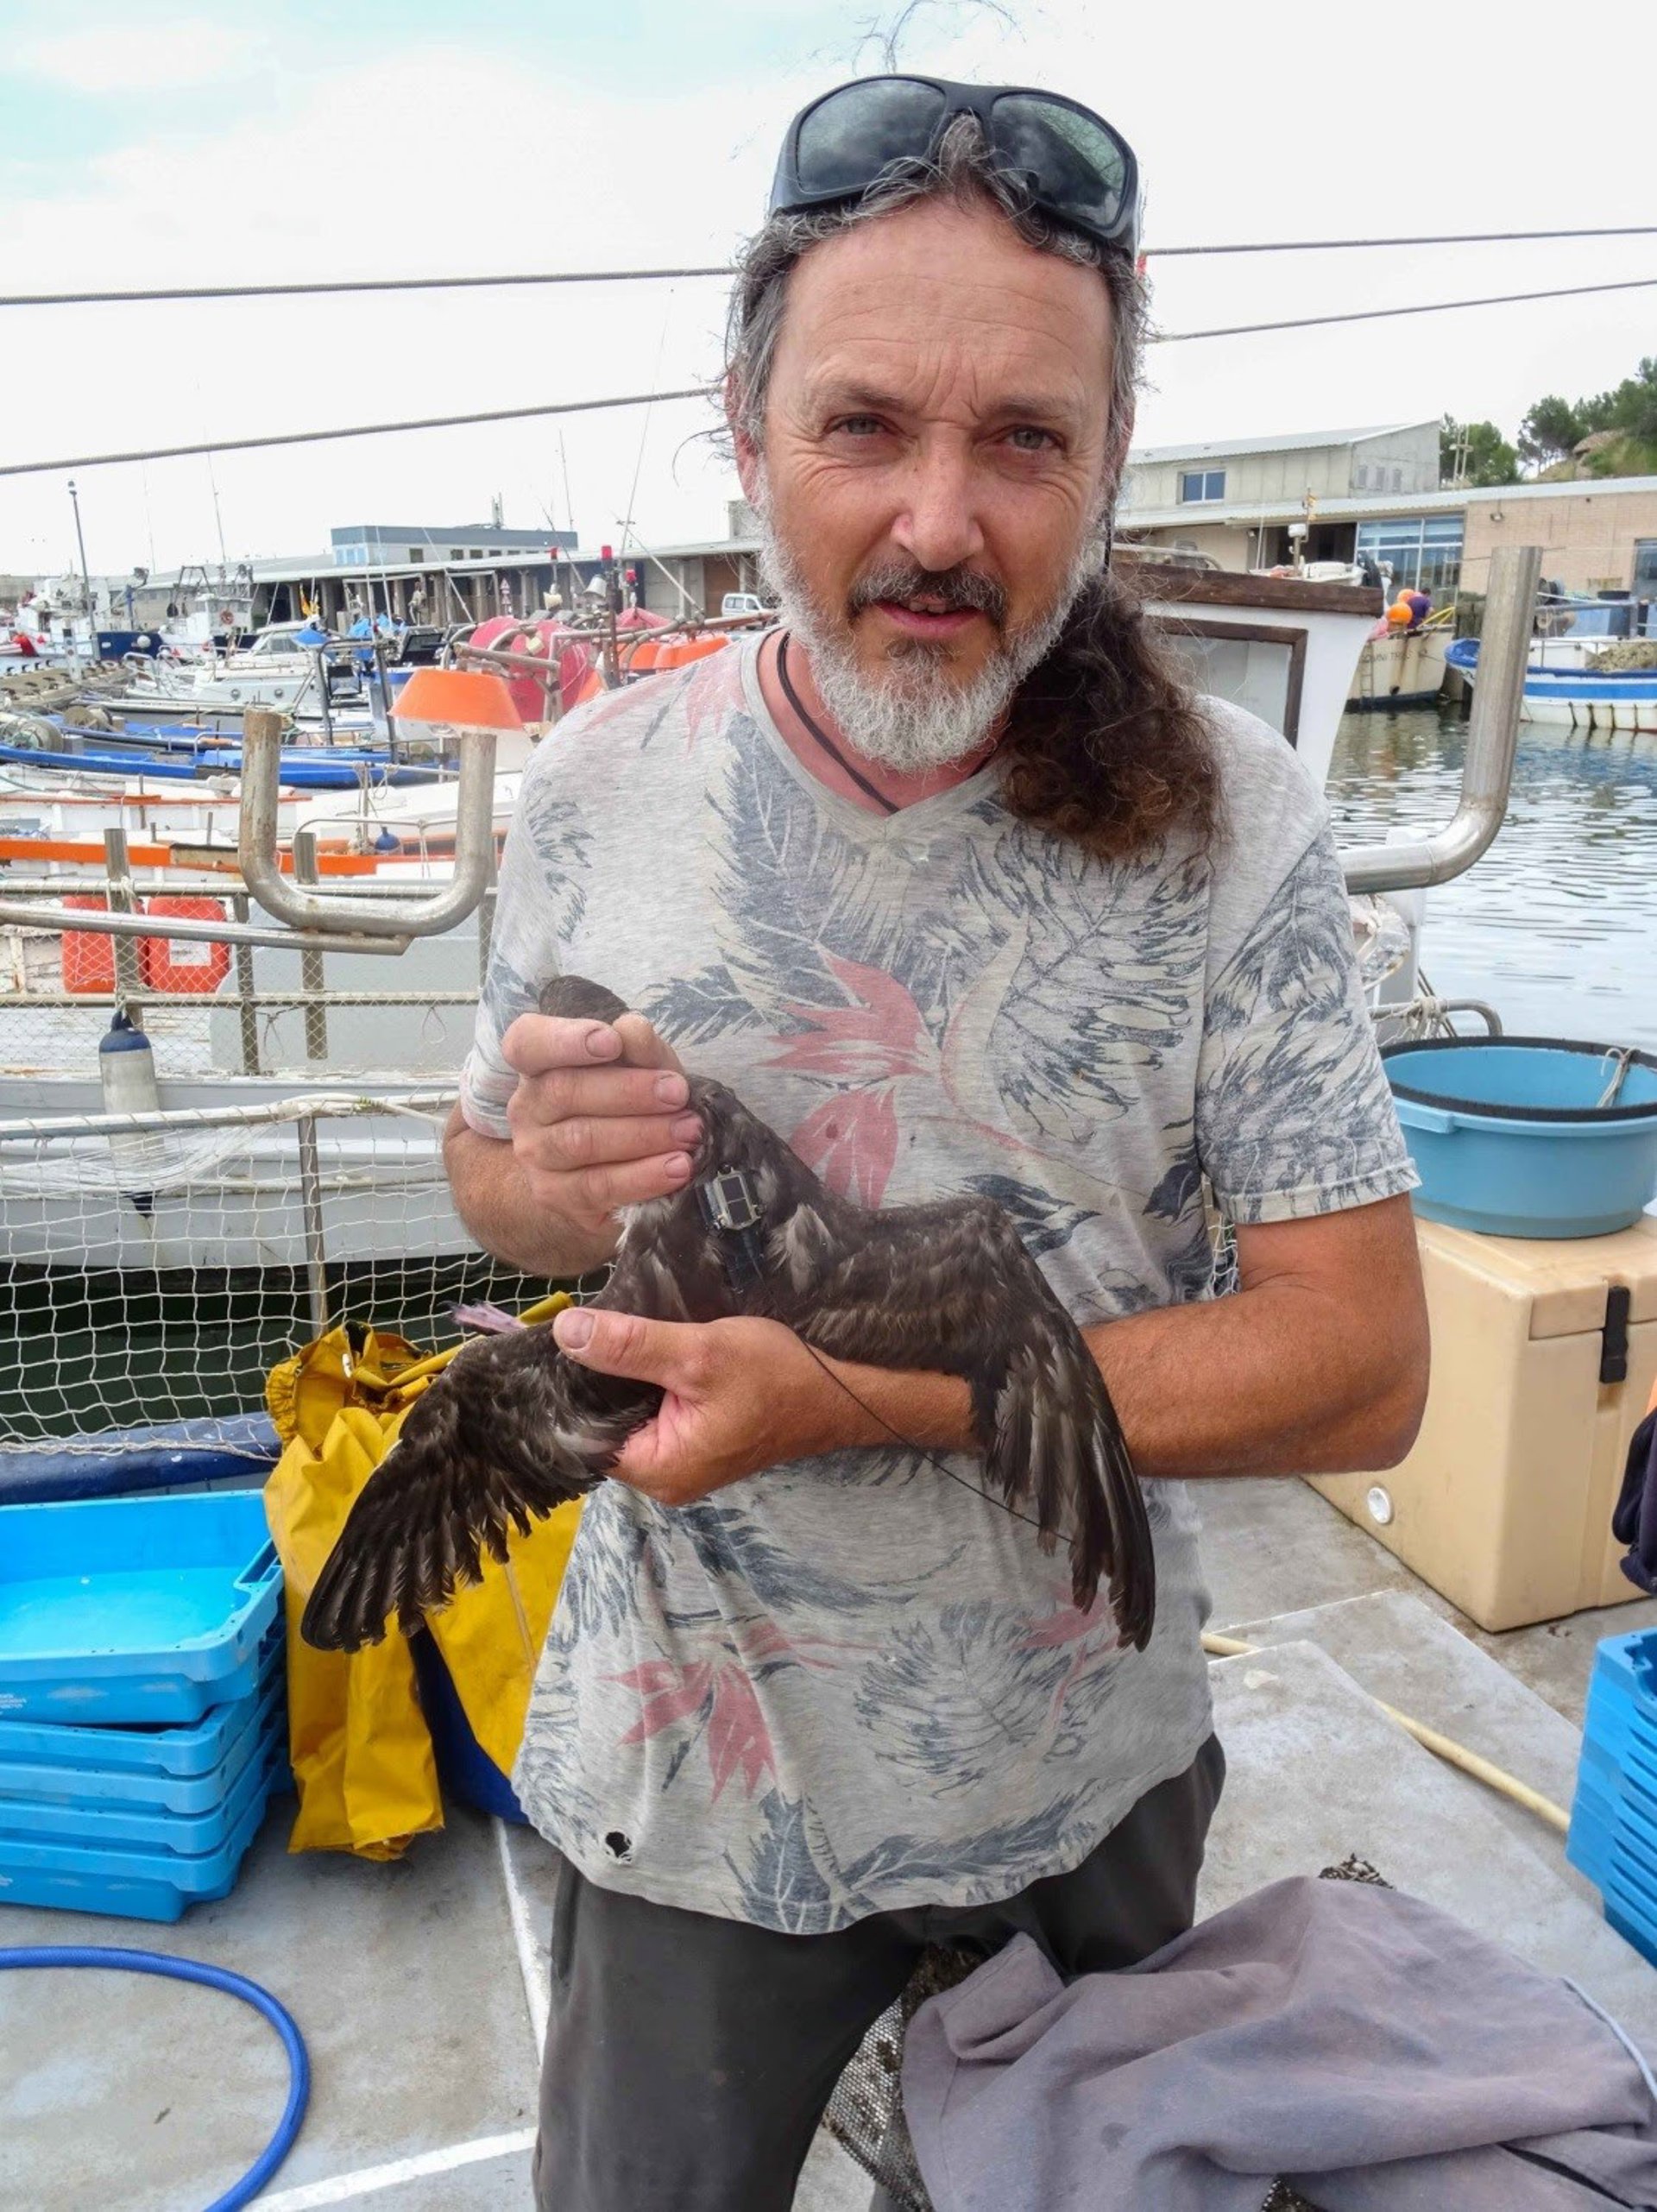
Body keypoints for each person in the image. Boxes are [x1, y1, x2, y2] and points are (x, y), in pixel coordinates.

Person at [447, 78, 1429, 2212]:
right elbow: (492, 1181)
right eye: (865, 426)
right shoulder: (593, 788)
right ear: (746, 433)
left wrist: (854, 1400)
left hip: (1086, 1772)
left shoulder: (1237, 819)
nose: (939, 522)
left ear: (1109, 460)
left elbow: (1361, 1360)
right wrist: (549, 1178)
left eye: (1024, 441)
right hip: (691, 1781)